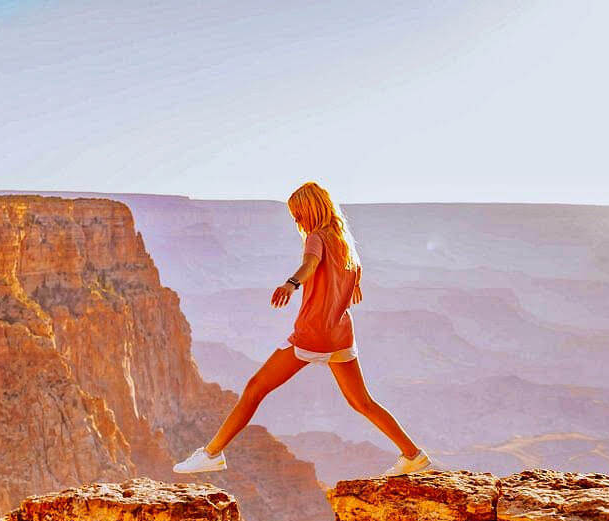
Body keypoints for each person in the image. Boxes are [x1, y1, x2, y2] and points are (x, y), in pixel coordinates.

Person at [173, 182, 431, 477]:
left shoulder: (316, 238)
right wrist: (346, 289)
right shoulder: (344, 242)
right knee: (362, 401)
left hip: (313, 334)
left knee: (255, 389)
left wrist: (291, 284)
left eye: (299, 214)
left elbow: (310, 264)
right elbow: (350, 281)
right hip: (341, 334)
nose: (297, 221)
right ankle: (413, 455)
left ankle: (212, 453)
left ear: (311, 210)